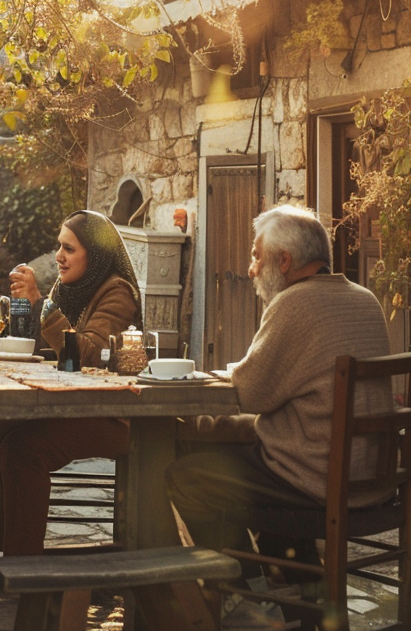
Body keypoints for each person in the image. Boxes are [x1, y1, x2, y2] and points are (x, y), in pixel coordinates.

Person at [165, 204, 393, 614]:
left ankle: (242, 586)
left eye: (256, 255)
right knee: (245, 460)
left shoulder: (296, 304)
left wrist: (218, 377)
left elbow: (250, 391)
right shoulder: (365, 299)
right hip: (368, 480)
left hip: (315, 479)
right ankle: (306, 598)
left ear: (284, 261)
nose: (250, 268)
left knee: (188, 475)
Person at [0, 209, 142, 555]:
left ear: (96, 254)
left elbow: (87, 355)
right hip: (77, 406)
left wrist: (40, 304)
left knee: (23, 449)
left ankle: (22, 561)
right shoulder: (72, 289)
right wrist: (26, 312)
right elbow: (52, 351)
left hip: (115, 415)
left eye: (69, 249)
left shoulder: (116, 292)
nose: (59, 256)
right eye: (59, 247)